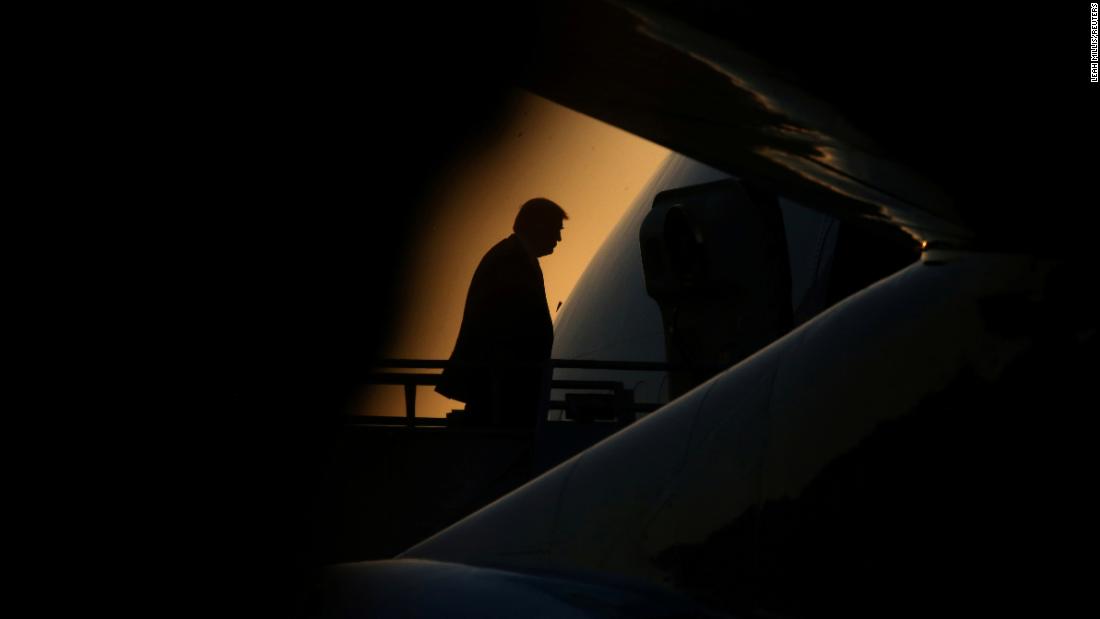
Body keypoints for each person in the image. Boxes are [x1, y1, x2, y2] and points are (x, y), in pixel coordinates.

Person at [436, 198, 568, 428]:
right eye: (556, 229)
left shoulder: (513, 257)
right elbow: (510, 328)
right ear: (538, 226)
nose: (559, 238)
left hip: (503, 384)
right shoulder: (510, 260)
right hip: (503, 386)